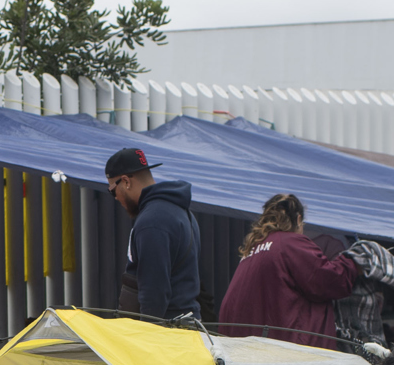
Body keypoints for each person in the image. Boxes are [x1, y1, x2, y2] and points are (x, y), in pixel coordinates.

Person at [217, 193, 357, 349]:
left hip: (245, 355)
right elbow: (330, 279)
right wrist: (353, 261)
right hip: (289, 357)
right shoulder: (291, 243)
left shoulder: (249, 253)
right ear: (298, 219)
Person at [106, 147, 200, 321]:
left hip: (166, 335)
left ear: (126, 181)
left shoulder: (152, 221)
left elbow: (154, 291)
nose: (116, 197)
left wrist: (145, 337)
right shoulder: (180, 211)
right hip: (185, 327)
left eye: (112, 190)